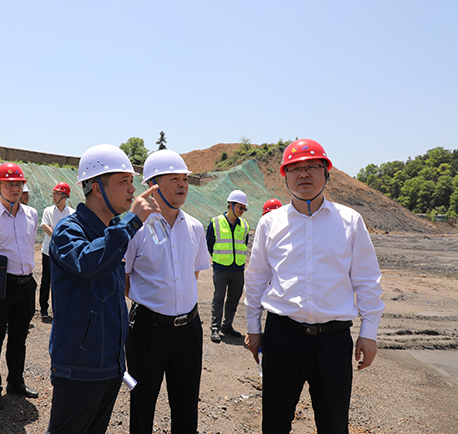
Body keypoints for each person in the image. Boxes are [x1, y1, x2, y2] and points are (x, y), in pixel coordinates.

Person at [244, 139, 385, 434]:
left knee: (334, 424)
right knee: (275, 422)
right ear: (285, 176)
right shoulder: (271, 224)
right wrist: (253, 329)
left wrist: (369, 333)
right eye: (295, 169)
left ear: (326, 173)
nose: (304, 174)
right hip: (283, 336)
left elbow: (367, 280)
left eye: (312, 167)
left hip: (333, 341)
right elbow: (256, 279)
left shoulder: (350, 221)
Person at [46, 144, 160, 434]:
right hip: (79, 367)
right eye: (124, 181)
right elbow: (89, 263)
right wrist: (132, 221)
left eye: (132, 181)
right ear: (97, 188)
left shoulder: (112, 230)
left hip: (109, 365)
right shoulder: (69, 230)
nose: (132, 189)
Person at [124, 150, 210, 434]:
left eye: (185, 179)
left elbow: (192, 276)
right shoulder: (136, 229)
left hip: (189, 330)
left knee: (186, 405)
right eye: (174, 179)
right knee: (142, 404)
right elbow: (123, 280)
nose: (183, 184)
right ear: (153, 185)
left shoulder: (195, 228)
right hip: (148, 330)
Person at [0, 162, 39, 410]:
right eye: (8, 184)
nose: (15, 188)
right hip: (1, 286)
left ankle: (15, 382)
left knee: (19, 337)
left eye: (18, 184)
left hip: (27, 284)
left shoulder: (32, 214)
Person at [207, 189, 249, 342]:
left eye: (244, 208)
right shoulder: (215, 222)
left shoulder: (244, 225)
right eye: (240, 207)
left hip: (238, 269)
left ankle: (227, 326)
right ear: (230, 205)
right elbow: (209, 244)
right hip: (221, 268)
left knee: (233, 299)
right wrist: (221, 259)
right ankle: (215, 328)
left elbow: (244, 244)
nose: (242, 210)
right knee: (218, 298)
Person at [39, 182, 74, 322]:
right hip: (48, 251)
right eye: (53, 193)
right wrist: (59, 237)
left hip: (65, 253)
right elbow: (44, 226)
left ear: (65, 196)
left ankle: (60, 309)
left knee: (62, 280)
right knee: (46, 280)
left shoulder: (72, 213)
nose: (54, 196)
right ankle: (43, 309)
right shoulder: (48, 211)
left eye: (57, 194)